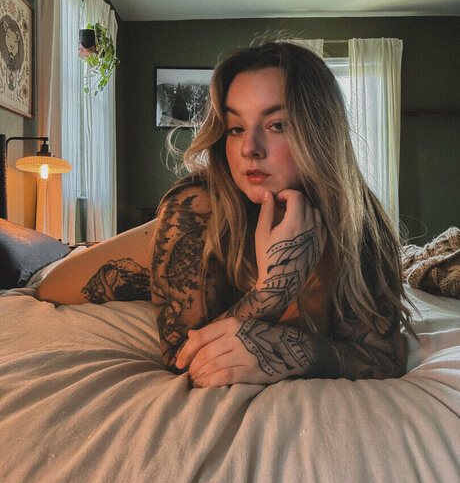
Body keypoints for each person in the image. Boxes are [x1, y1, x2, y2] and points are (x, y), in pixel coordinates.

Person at [37, 38, 417, 388]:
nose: (249, 147)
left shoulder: (361, 221)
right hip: (71, 274)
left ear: (321, 131)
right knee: (50, 279)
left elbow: (384, 357)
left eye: (277, 125)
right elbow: (183, 359)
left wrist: (303, 353)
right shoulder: (196, 207)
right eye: (236, 128)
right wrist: (273, 289)